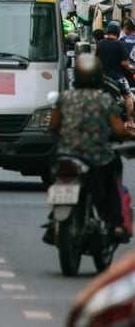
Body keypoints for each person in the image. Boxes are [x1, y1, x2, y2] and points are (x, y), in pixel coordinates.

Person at [48, 53, 133, 243]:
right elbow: (119, 130)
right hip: (98, 158)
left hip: (65, 155)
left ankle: (52, 221)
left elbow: (52, 127)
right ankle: (117, 224)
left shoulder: (65, 98)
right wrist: (128, 135)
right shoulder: (104, 100)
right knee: (111, 184)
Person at [96, 20, 135, 120]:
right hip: (118, 77)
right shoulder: (120, 44)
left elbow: (96, 60)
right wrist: (131, 67)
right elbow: (124, 63)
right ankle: (130, 120)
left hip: (103, 77)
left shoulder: (100, 44)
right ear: (118, 32)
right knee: (128, 96)